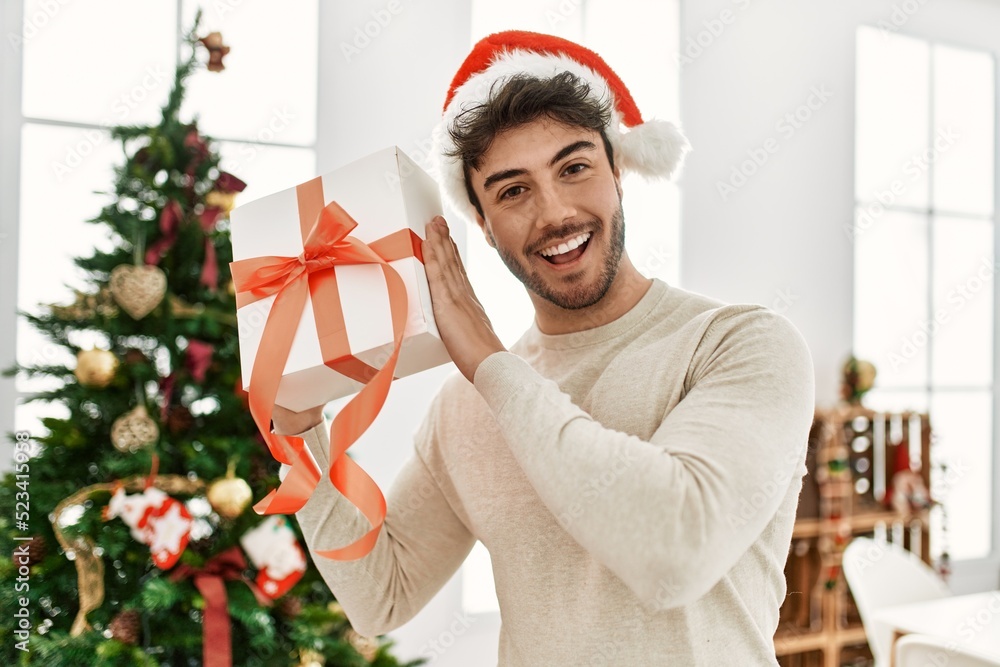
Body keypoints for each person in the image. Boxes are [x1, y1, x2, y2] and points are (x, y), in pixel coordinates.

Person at [272, 31, 815, 665]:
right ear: (482, 223)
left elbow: (675, 553)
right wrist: (298, 432)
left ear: (618, 170)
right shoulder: (466, 405)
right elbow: (381, 597)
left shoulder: (741, 345)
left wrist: (491, 365)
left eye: (574, 168)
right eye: (512, 190)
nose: (554, 212)